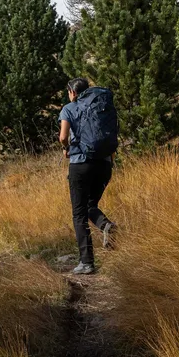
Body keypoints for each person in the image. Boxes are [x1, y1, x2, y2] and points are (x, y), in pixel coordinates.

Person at [59, 77, 118, 275]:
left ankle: (86, 263)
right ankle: (106, 225)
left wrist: (67, 149)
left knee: (79, 214)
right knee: (91, 205)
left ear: (73, 93)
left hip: (80, 165)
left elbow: (63, 137)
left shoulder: (69, 108)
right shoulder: (102, 106)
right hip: (105, 164)